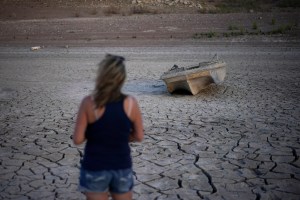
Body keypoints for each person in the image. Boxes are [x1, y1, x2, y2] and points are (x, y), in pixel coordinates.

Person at [72, 54, 144, 200]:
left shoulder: (88, 103)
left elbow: (78, 139)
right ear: (121, 78)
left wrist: (95, 133)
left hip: (95, 167)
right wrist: (121, 136)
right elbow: (139, 136)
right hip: (121, 166)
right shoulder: (131, 103)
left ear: (101, 76)